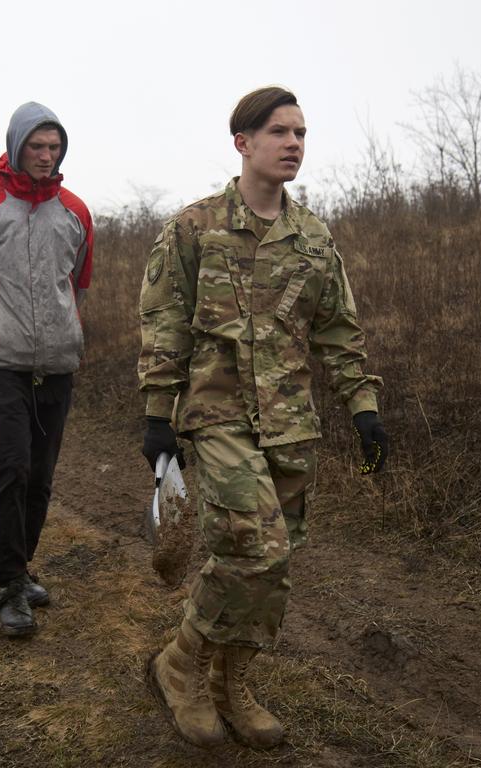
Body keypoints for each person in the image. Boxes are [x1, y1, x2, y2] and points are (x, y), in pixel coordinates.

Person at [138, 86, 389, 749]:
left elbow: (338, 329)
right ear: (242, 142)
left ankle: (230, 680)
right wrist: (158, 417)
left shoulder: (311, 237)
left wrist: (363, 408)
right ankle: (179, 664)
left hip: (291, 424)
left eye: (302, 133)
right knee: (257, 546)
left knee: (273, 567)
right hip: (218, 415)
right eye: (280, 132)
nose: (294, 144)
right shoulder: (194, 228)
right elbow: (163, 324)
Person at [0, 102, 93, 638]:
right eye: (37, 146)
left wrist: (56, 330)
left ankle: (21, 568)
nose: (46, 156)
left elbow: (75, 285)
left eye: (54, 147)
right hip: (2, 361)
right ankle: (7, 586)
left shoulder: (75, 211)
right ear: (16, 146)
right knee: (10, 467)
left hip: (57, 364)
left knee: (42, 476)